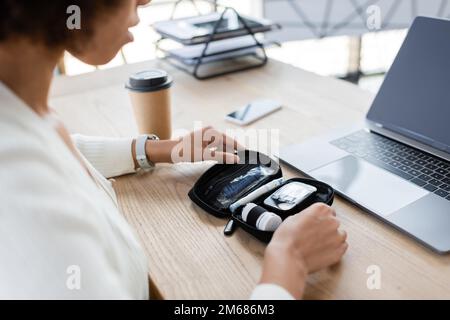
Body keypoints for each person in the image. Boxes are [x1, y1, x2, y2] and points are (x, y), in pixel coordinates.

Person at [0, 0, 348, 299]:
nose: (146, 1)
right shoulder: (18, 183)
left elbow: (61, 151)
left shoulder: (24, 112)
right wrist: (288, 266)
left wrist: (159, 150)